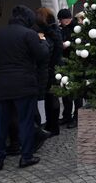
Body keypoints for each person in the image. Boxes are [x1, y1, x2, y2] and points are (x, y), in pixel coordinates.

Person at [0, 5, 48, 171]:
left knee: (0, 125)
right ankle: (26, 157)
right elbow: (42, 56)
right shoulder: (30, 34)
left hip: (3, 86)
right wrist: (43, 42)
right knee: (25, 122)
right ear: (28, 19)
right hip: (24, 86)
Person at [34, 8, 63, 136]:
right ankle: (53, 125)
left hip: (49, 69)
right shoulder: (55, 31)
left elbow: (47, 51)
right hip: (55, 69)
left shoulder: (47, 33)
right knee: (52, 98)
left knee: (51, 99)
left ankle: (52, 126)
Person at [57, 9, 82, 129]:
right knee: (65, 91)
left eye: (67, 19)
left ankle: (77, 118)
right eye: (62, 19)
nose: (65, 21)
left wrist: (69, 44)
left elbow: (80, 44)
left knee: (76, 93)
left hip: (76, 64)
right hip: (64, 63)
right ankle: (67, 115)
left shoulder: (77, 28)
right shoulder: (60, 28)